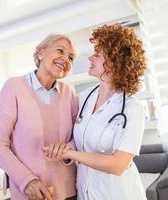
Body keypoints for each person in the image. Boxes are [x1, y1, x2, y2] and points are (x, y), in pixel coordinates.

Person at [43, 24, 147, 199]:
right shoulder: (83, 99)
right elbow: (77, 140)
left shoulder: (132, 108)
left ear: (115, 61)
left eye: (98, 54)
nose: (91, 57)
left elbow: (118, 164)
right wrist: (66, 149)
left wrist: (70, 154)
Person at [0, 34, 78, 200]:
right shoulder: (14, 87)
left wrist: (68, 148)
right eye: (60, 51)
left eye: (71, 57)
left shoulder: (69, 93)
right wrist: (27, 182)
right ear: (40, 53)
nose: (66, 59)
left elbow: (77, 137)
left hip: (69, 191)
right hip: (30, 193)